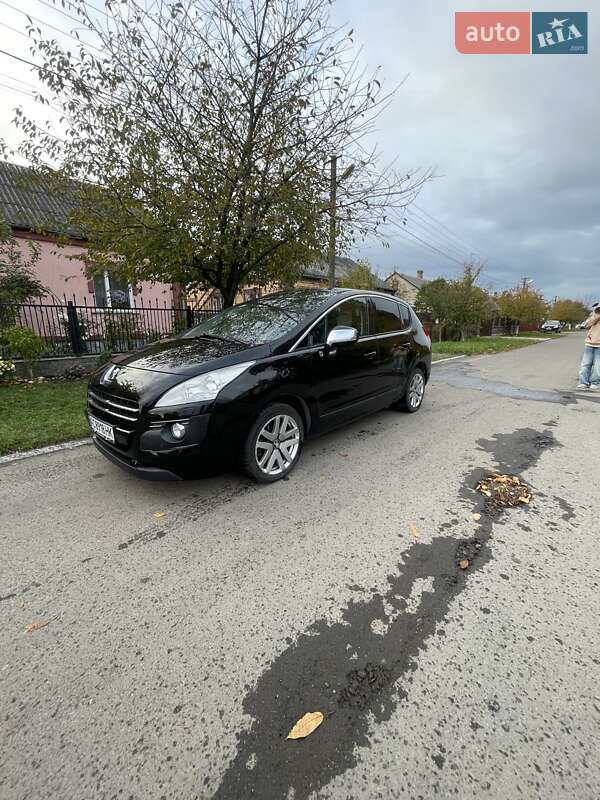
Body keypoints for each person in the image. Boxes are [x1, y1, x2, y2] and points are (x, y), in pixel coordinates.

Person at [577, 302, 600, 389]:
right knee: (586, 364)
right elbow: (586, 325)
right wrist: (596, 315)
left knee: (597, 366)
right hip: (590, 343)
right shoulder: (593, 316)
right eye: (598, 308)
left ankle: (595, 382)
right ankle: (583, 382)